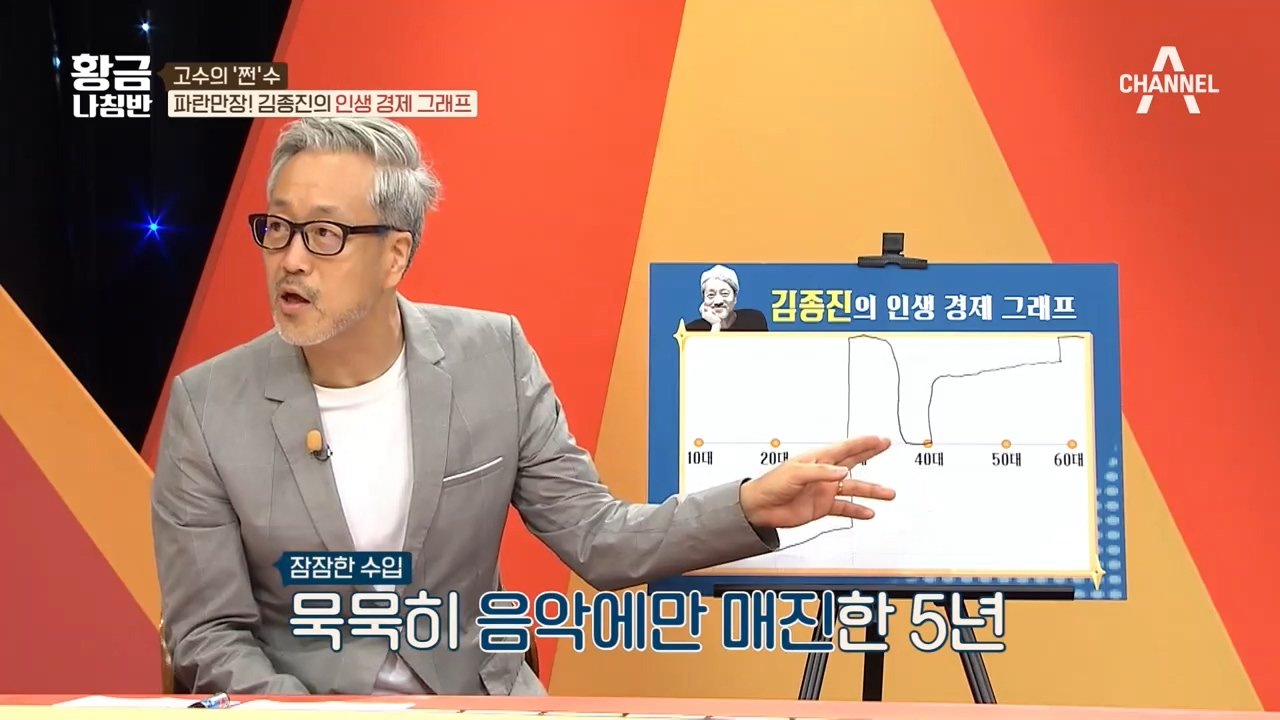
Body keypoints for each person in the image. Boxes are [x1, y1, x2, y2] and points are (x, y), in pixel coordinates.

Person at [150, 117, 895, 698]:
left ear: (396, 255)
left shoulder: (491, 358)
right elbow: (208, 633)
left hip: (481, 703)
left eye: (324, 234)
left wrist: (748, 506)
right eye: (277, 229)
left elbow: (600, 539)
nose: (291, 259)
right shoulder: (208, 406)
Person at [684, 264, 768, 332]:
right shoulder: (692, 330)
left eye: (724, 294)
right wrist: (716, 326)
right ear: (704, 299)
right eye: (711, 295)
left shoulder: (754, 321)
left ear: (735, 297)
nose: (718, 301)